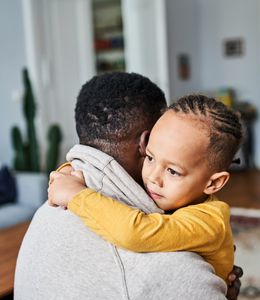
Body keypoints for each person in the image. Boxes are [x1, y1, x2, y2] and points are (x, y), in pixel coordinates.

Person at [14, 72, 242, 300]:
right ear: (146, 144)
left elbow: (136, 231)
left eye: (173, 171)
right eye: (152, 158)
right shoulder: (173, 267)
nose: (154, 178)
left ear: (214, 183)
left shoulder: (46, 212)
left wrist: (75, 193)